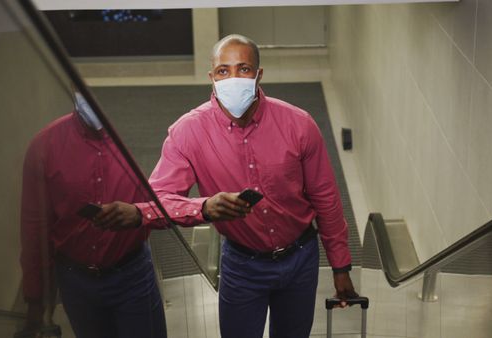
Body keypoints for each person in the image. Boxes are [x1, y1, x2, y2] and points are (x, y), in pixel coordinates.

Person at [134, 34, 358, 338]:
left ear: (259, 75)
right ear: (211, 78)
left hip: (300, 258)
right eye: (224, 71)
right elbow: (156, 200)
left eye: (244, 69)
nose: (234, 79)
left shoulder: (298, 124)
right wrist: (205, 208)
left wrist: (340, 265)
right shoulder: (188, 132)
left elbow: (326, 198)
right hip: (242, 265)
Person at [19, 91, 166, 338]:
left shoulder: (143, 132)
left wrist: (140, 212)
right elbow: (34, 225)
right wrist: (36, 298)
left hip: (131, 274)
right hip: (75, 281)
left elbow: (168, 199)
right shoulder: (45, 147)